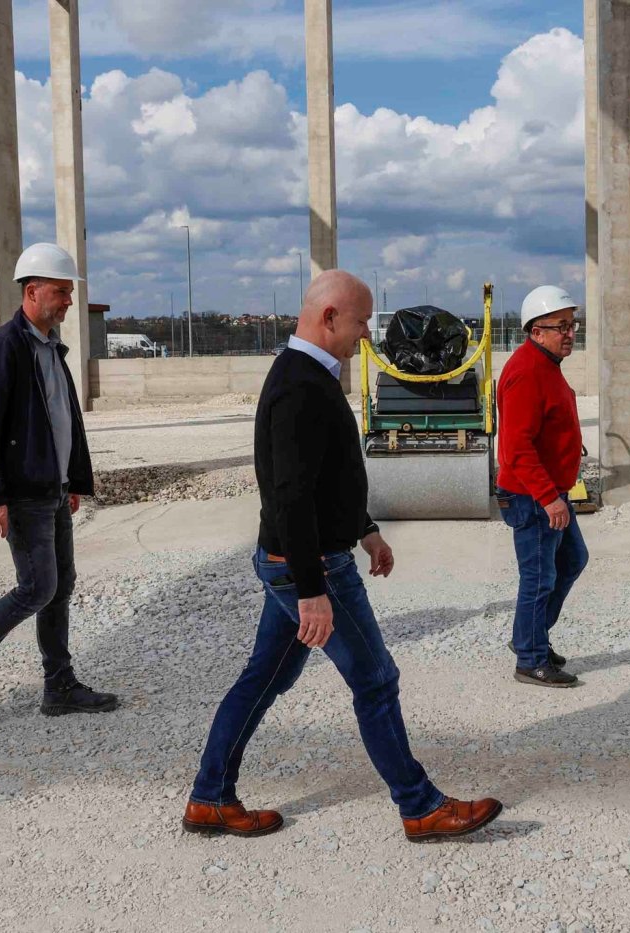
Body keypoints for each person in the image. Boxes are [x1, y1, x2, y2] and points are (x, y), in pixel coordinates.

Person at [183, 269, 502, 842]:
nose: (367, 336)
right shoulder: (300, 386)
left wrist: (366, 530)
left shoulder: (308, 374)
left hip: (301, 560)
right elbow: (290, 497)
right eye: (361, 322)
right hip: (311, 567)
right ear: (329, 316)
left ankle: (209, 799)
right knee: (375, 680)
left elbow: (328, 476)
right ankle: (420, 806)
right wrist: (311, 590)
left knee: (263, 679)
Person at [0, 242, 117, 719]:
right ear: (32, 291)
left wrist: (70, 480)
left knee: (60, 585)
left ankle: (60, 686)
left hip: (52, 491)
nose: (69, 301)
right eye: (61, 292)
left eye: (69, 293)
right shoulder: (3, 349)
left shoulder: (51, 349)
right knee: (37, 587)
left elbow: (60, 420)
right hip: (22, 495)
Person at [494, 285, 589, 688]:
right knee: (539, 578)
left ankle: (528, 636)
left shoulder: (546, 364)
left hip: (550, 492)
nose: (570, 333)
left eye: (572, 325)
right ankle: (530, 660)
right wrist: (549, 498)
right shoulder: (527, 372)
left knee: (573, 560)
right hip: (532, 497)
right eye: (560, 326)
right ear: (536, 331)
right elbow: (516, 448)